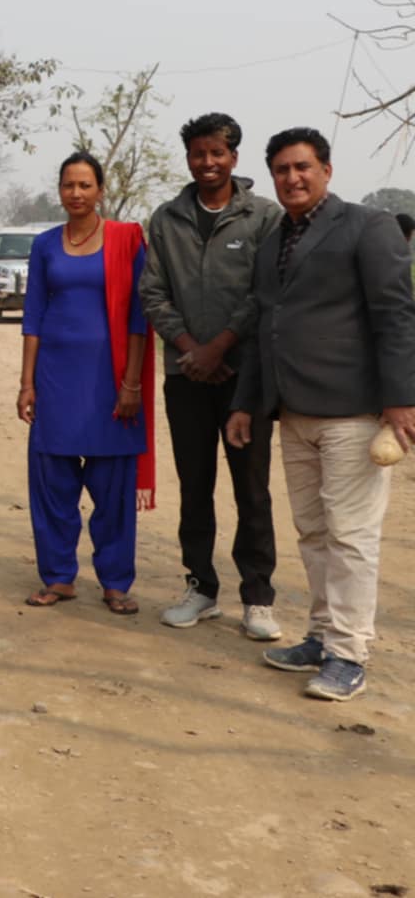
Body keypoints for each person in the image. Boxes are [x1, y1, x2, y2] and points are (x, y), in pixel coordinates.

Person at [226, 127, 415, 702]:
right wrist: (244, 404)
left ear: (327, 170)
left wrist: (401, 399)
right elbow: (264, 327)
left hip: (354, 412)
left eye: (302, 167)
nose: (292, 178)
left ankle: (349, 652)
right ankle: (320, 634)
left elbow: (396, 314)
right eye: (281, 169)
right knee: (313, 531)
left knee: (352, 535)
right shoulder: (271, 242)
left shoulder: (367, 226)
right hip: (294, 411)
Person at [139, 113, 283, 639]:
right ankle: (200, 588)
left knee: (253, 489)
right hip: (186, 377)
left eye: (216, 153)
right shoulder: (167, 219)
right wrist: (189, 349)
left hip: (245, 380)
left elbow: (263, 294)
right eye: (198, 154)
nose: (207, 163)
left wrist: (220, 346)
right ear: (189, 159)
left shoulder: (263, 217)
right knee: (194, 485)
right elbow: (152, 292)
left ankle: (258, 598)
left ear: (234, 158)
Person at [17, 151, 154, 614]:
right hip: (55, 379)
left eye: (85, 185)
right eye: (68, 185)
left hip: (109, 379)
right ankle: (59, 577)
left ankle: (115, 581)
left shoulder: (125, 241)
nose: (76, 194)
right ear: (59, 190)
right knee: (51, 480)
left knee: (113, 485)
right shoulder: (45, 245)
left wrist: (132, 383)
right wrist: (26, 382)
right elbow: (33, 315)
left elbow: (139, 317)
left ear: (100, 190)